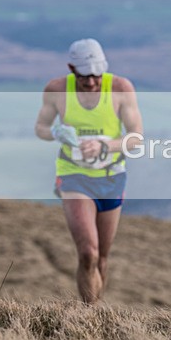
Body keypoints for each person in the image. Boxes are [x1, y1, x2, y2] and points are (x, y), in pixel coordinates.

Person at [35, 38, 143, 303]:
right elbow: (41, 128)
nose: (93, 82)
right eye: (85, 77)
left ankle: (95, 314)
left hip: (110, 177)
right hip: (74, 176)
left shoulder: (121, 88)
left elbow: (136, 137)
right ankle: (88, 316)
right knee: (88, 253)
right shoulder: (56, 89)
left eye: (97, 75)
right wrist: (56, 132)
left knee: (102, 259)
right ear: (72, 69)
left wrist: (105, 146)